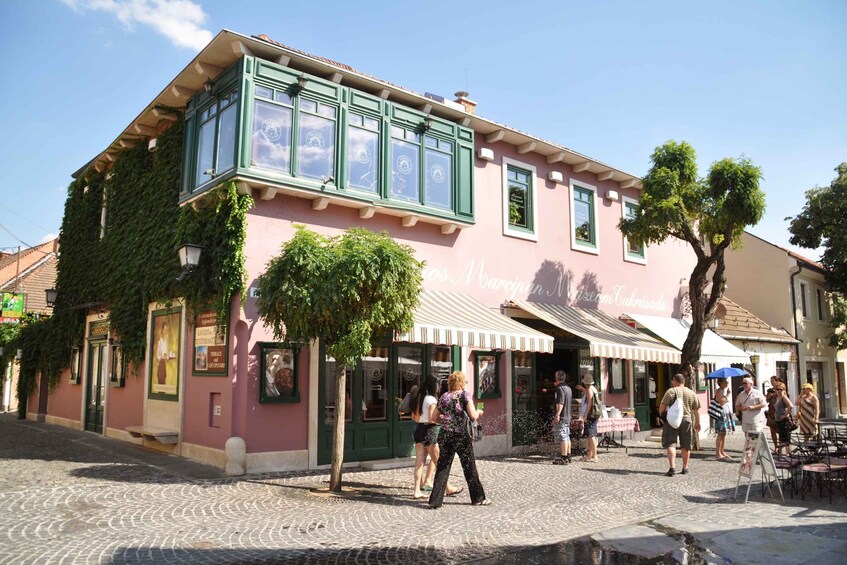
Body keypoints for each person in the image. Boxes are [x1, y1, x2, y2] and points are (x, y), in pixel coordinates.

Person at [428, 371, 489, 508]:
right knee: (469, 467)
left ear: (450, 383)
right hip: (461, 436)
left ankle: (435, 501)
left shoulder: (444, 396)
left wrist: (445, 420)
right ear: (461, 383)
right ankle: (478, 498)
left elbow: (433, 418)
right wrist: (479, 412)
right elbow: (473, 416)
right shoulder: (464, 395)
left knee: (443, 467)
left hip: (445, 435)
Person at [411, 376, 460, 499]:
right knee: (439, 462)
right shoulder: (432, 399)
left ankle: (416, 491)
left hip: (419, 430)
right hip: (430, 431)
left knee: (419, 463)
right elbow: (432, 419)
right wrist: (443, 419)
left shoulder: (419, 398)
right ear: (434, 386)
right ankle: (448, 488)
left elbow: (414, 417)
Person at [660, 373, 701, 476]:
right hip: (687, 420)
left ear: (675, 381)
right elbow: (696, 410)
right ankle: (685, 467)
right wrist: (697, 422)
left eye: (673, 381)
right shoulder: (691, 393)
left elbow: (662, 406)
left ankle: (672, 468)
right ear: (684, 381)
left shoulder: (671, 391)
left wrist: (662, 416)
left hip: (672, 420)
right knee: (686, 445)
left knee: (671, 443)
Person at [576, 373, 599, 463]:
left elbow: (589, 403)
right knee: (590, 436)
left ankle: (594, 456)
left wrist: (585, 414)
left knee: (591, 436)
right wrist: (582, 389)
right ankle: (590, 454)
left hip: (591, 415)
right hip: (593, 415)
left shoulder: (589, 390)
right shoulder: (592, 389)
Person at [551, 370, 573, 465]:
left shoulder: (560, 388)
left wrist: (557, 415)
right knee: (567, 436)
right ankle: (568, 456)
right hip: (568, 416)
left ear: (556, 378)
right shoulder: (568, 388)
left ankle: (564, 458)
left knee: (563, 437)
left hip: (563, 416)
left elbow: (561, 402)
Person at [713, 377, 732, 461]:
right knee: (720, 433)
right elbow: (721, 402)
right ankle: (718, 453)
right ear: (720, 383)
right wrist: (727, 395)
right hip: (721, 413)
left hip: (724, 413)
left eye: (726, 382)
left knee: (723, 433)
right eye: (725, 382)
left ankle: (722, 451)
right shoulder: (719, 391)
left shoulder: (722, 391)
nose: (726, 383)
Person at [773, 384, 794, 455]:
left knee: (786, 437)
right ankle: (780, 452)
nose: (779, 391)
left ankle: (788, 453)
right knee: (782, 437)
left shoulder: (784, 397)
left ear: (784, 390)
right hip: (778, 419)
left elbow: (791, 406)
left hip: (784, 420)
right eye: (777, 389)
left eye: (781, 389)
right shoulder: (777, 398)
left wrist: (785, 415)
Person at [765, 376, 780, 449]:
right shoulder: (770, 390)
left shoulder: (780, 388)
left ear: (777, 381)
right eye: (771, 381)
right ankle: (776, 446)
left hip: (778, 412)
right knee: (772, 431)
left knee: (779, 431)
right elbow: (767, 400)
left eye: (773, 381)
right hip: (771, 412)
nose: (772, 382)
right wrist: (768, 397)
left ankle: (780, 447)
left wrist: (774, 394)